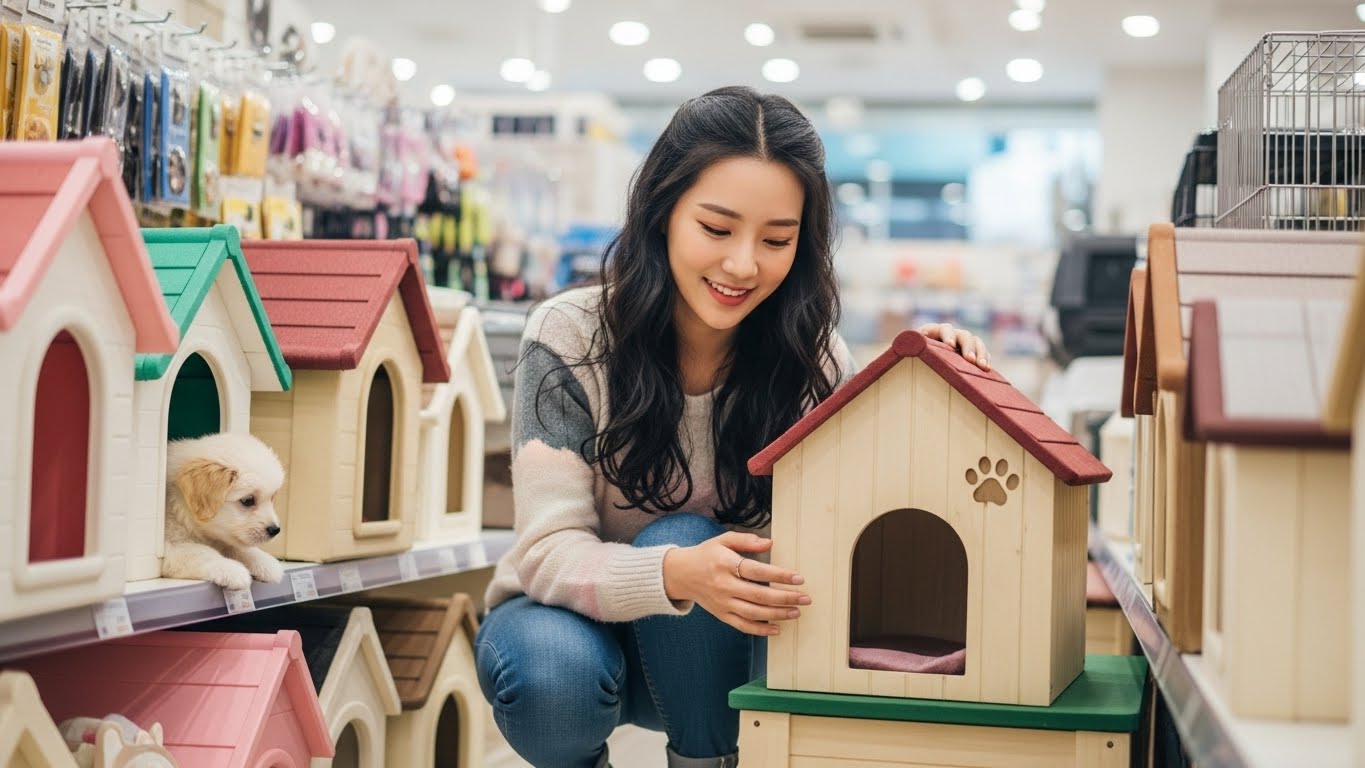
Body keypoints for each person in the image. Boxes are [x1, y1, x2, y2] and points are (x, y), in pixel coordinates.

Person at [475, 86, 991, 768]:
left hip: (716, 658)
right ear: (662, 213)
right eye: (716, 229)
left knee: (697, 543)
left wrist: (920, 383)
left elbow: (866, 515)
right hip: (570, 628)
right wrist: (677, 573)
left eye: (776, 239)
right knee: (558, 670)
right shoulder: (570, 334)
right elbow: (547, 552)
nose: (743, 264)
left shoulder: (814, 360)